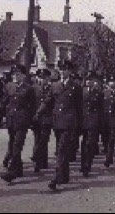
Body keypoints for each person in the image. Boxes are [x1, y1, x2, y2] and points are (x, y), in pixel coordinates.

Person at [34, 59, 82, 190]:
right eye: (60, 69)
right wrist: (38, 113)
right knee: (62, 149)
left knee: (61, 149)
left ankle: (57, 177)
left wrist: (79, 125)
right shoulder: (55, 85)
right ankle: (64, 175)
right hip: (57, 121)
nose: (62, 71)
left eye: (65, 69)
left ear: (70, 71)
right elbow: (48, 100)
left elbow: (79, 107)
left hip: (69, 121)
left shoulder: (76, 86)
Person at [0, 64, 37, 183]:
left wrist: (31, 121)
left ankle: (11, 172)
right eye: (14, 74)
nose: (16, 76)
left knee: (17, 146)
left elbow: (33, 107)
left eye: (18, 74)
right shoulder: (10, 87)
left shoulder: (28, 89)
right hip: (11, 120)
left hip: (22, 121)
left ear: (23, 75)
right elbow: (3, 102)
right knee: (12, 145)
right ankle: (19, 169)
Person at [80, 71, 104, 177]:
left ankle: (87, 165)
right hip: (84, 120)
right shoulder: (82, 92)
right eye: (87, 80)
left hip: (93, 121)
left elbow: (101, 109)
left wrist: (100, 123)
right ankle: (82, 164)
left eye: (90, 80)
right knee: (83, 144)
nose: (88, 82)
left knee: (90, 144)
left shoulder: (98, 93)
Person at [32, 68, 53, 173]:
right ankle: (42, 161)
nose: (42, 79)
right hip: (36, 118)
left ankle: (38, 160)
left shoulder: (51, 88)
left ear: (48, 78)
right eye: (40, 77)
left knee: (43, 140)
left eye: (44, 77)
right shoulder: (35, 88)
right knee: (37, 139)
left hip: (47, 117)